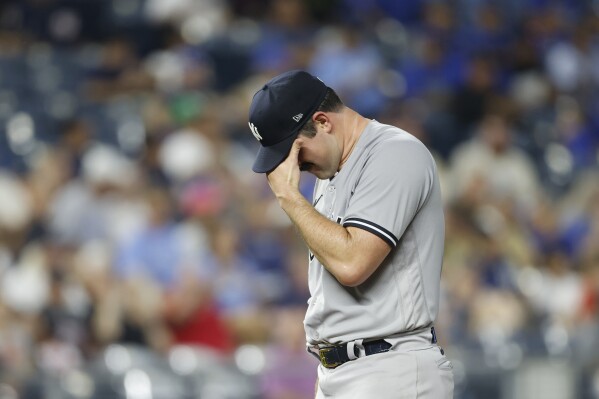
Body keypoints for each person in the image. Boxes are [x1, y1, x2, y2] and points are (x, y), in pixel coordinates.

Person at [248, 70, 454, 398]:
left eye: (295, 151)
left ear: (323, 122)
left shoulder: (394, 154)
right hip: (345, 370)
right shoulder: (330, 172)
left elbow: (353, 264)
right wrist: (328, 364)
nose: (294, 166)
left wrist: (288, 197)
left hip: (390, 369)